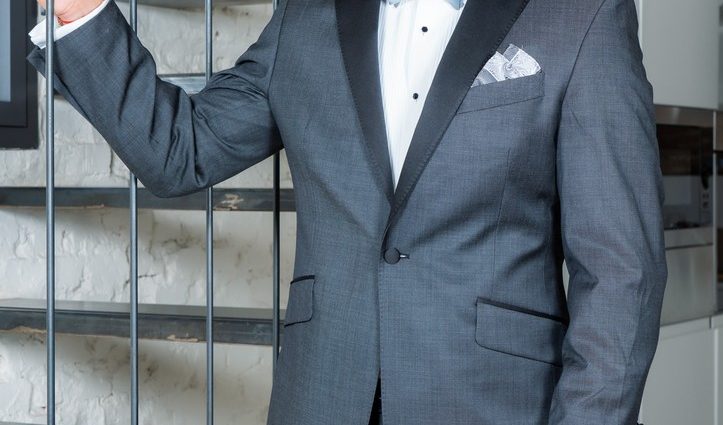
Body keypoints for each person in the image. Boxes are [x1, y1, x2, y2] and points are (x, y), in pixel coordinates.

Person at [28, 0, 668, 424]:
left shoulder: (581, 14)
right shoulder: (307, 15)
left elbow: (622, 273)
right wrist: (82, 13)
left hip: (494, 402)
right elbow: (179, 151)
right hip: (323, 397)